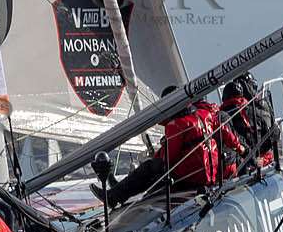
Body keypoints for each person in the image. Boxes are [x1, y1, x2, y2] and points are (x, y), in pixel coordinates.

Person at [95, 87, 242, 208]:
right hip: (209, 177)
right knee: (156, 166)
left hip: (191, 180)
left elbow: (170, 159)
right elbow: (224, 132)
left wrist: (163, 149)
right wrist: (242, 148)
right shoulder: (205, 115)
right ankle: (121, 191)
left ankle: (115, 196)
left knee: (150, 167)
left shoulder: (176, 125)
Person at [220, 73, 276, 173]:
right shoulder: (257, 110)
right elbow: (273, 135)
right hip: (261, 162)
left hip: (238, 167)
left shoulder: (222, 116)